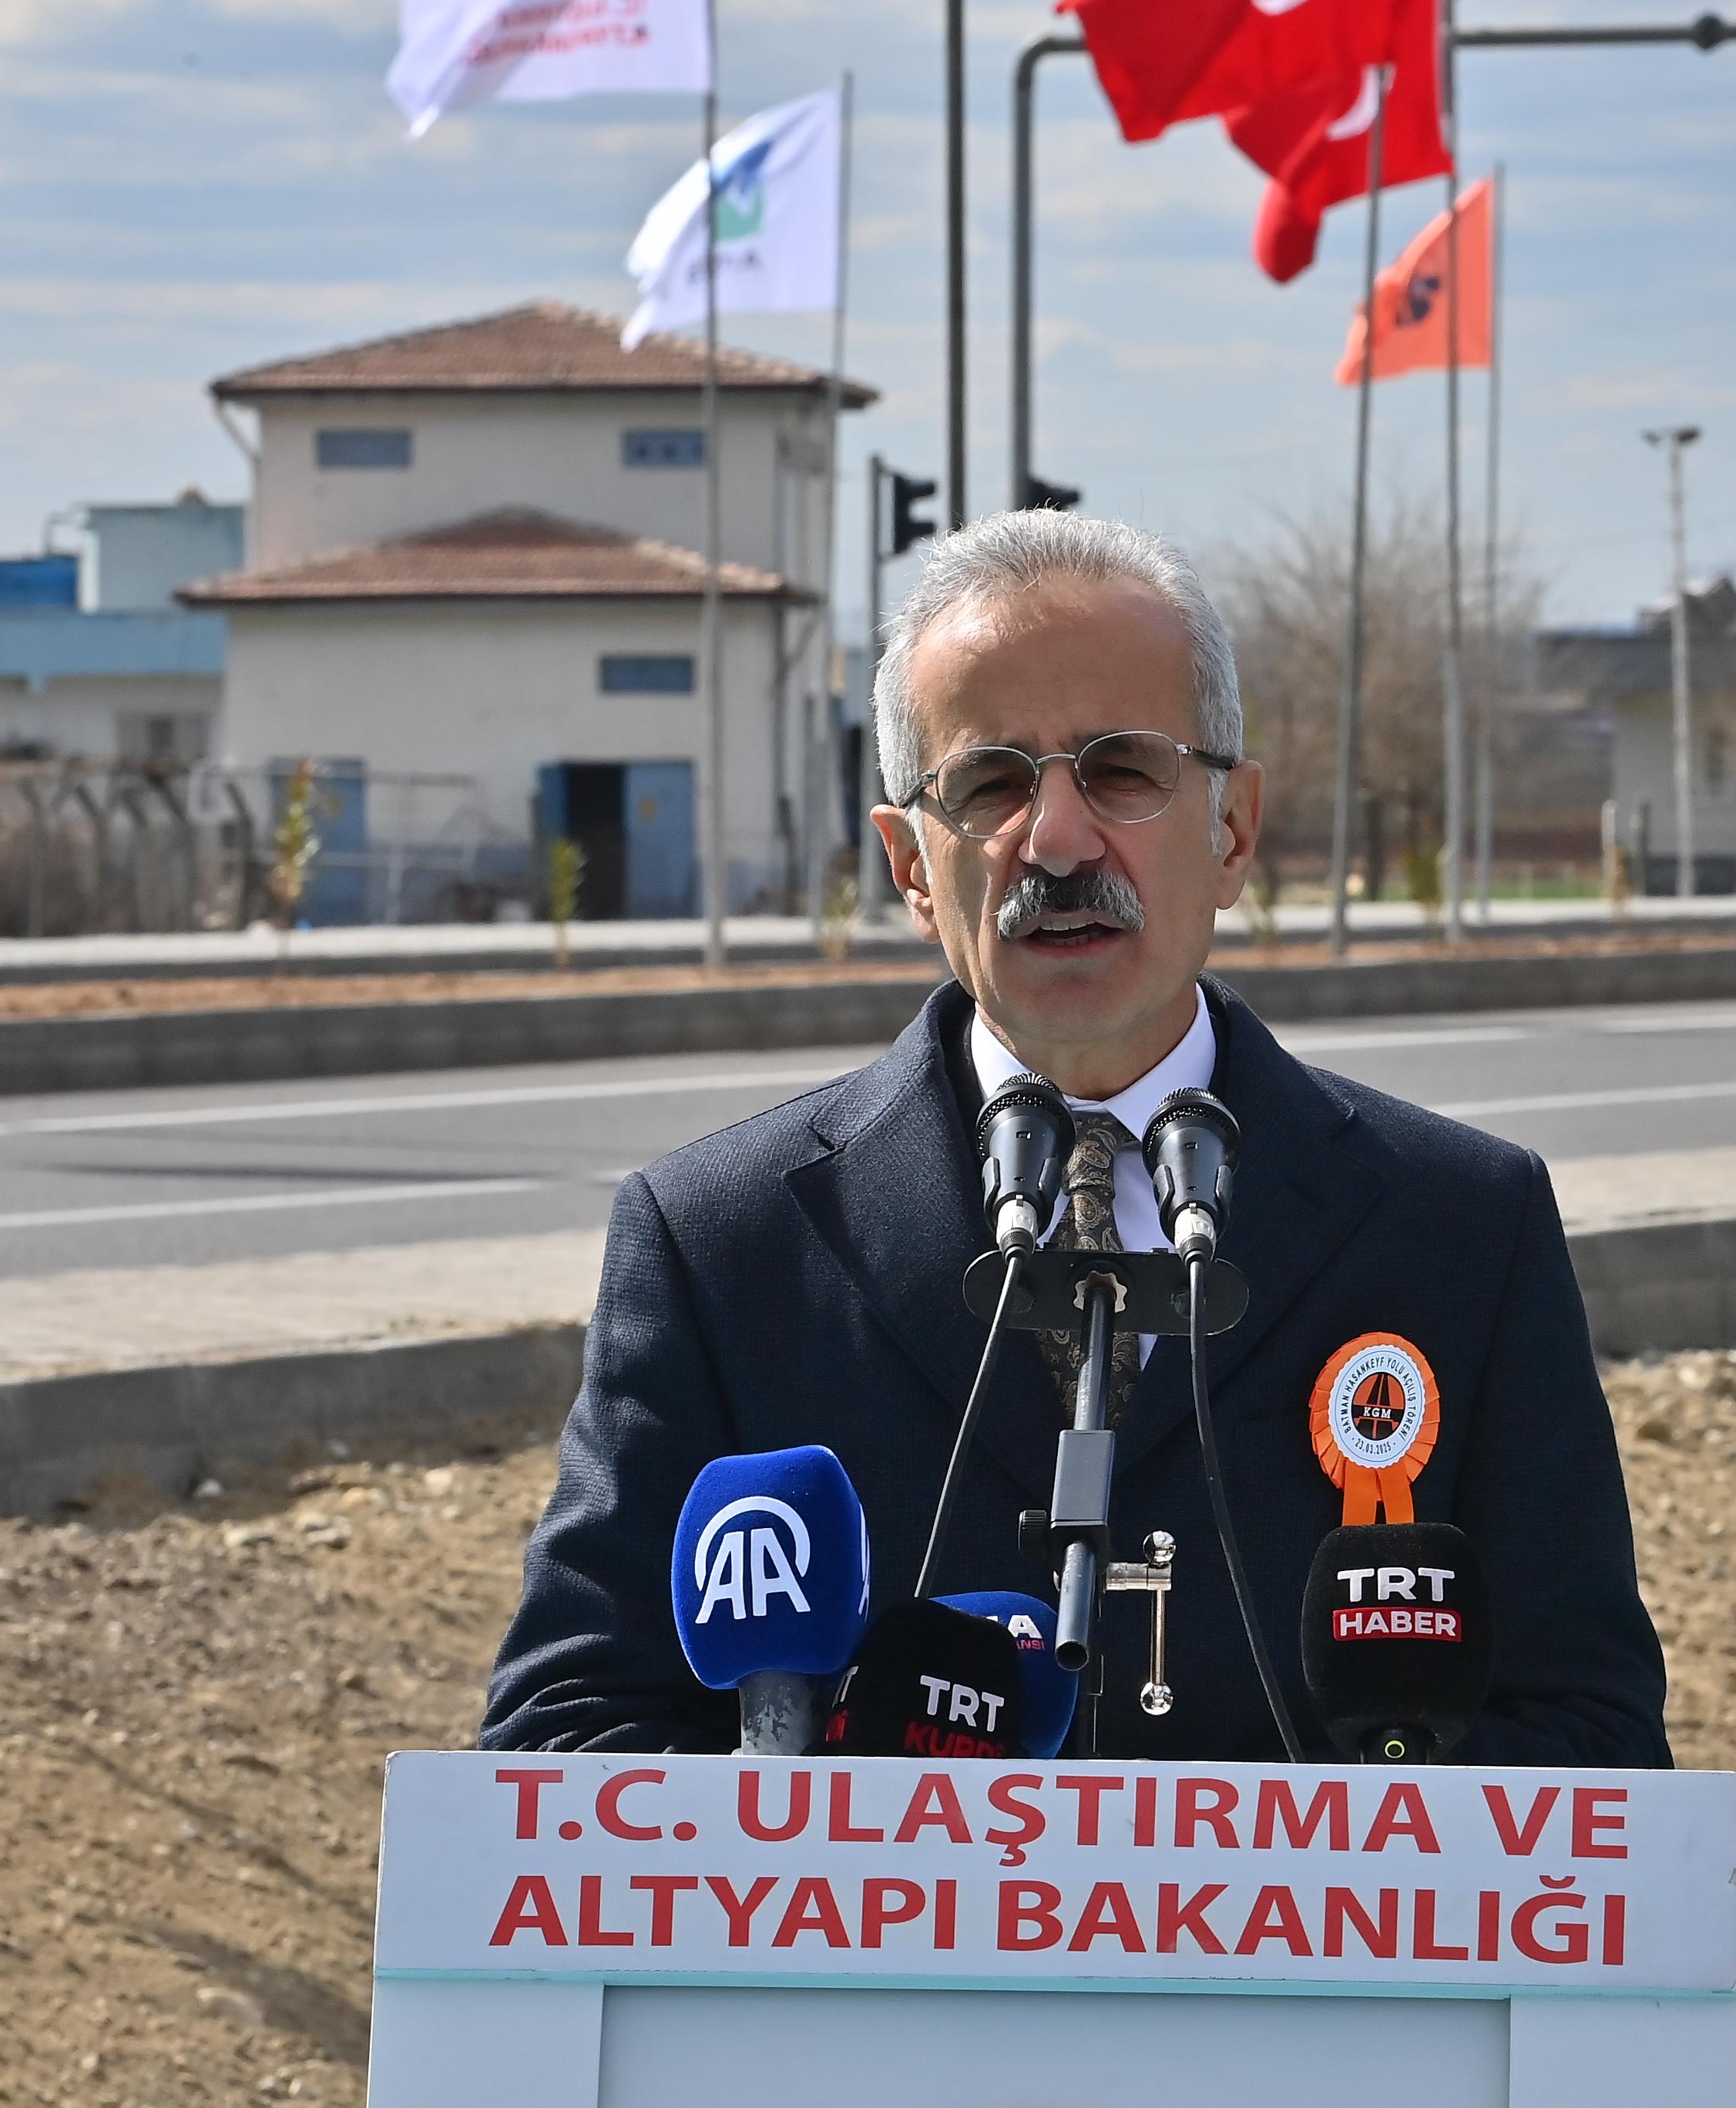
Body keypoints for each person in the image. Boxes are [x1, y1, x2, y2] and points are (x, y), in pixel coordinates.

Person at [483, 512, 1664, 1767]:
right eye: (990, 781)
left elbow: (1586, 1739)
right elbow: (568, 1734)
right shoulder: (722, 1244)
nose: (1054, 840)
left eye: (1121, 769)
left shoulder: (1462, 1232)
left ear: (1234, 829)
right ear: (909, 863)